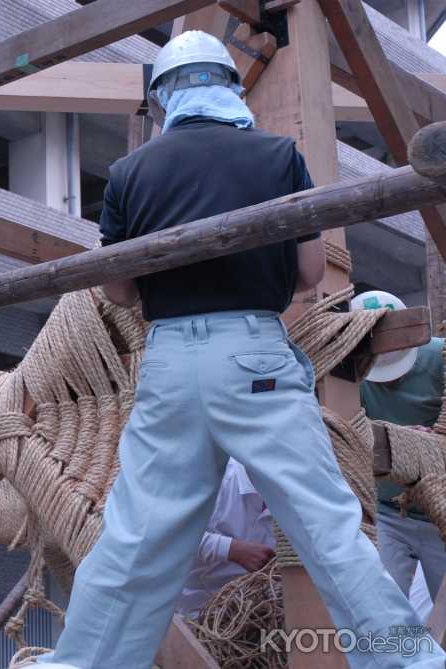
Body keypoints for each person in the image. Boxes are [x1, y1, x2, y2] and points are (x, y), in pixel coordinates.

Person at [39, 30, 444, 668]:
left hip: (169, 362)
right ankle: (409, 663)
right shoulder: (278, 156)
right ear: (230, 87)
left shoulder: (128, 173)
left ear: (162, 97)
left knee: (134, 542)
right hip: (254, 353)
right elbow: (311, 272)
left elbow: (118, 289)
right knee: (328, 530)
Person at [355, 290, 446, 616]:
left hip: (440, 514)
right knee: (379, 611)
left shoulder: (440, 358)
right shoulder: (348, 373)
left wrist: (430, 443)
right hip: (387, 513)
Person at [176, 459, 275, 618]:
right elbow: (165, 537)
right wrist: (230, 549)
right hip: (185, 609)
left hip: (253, 611)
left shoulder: (296, 497)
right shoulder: (213, 476)